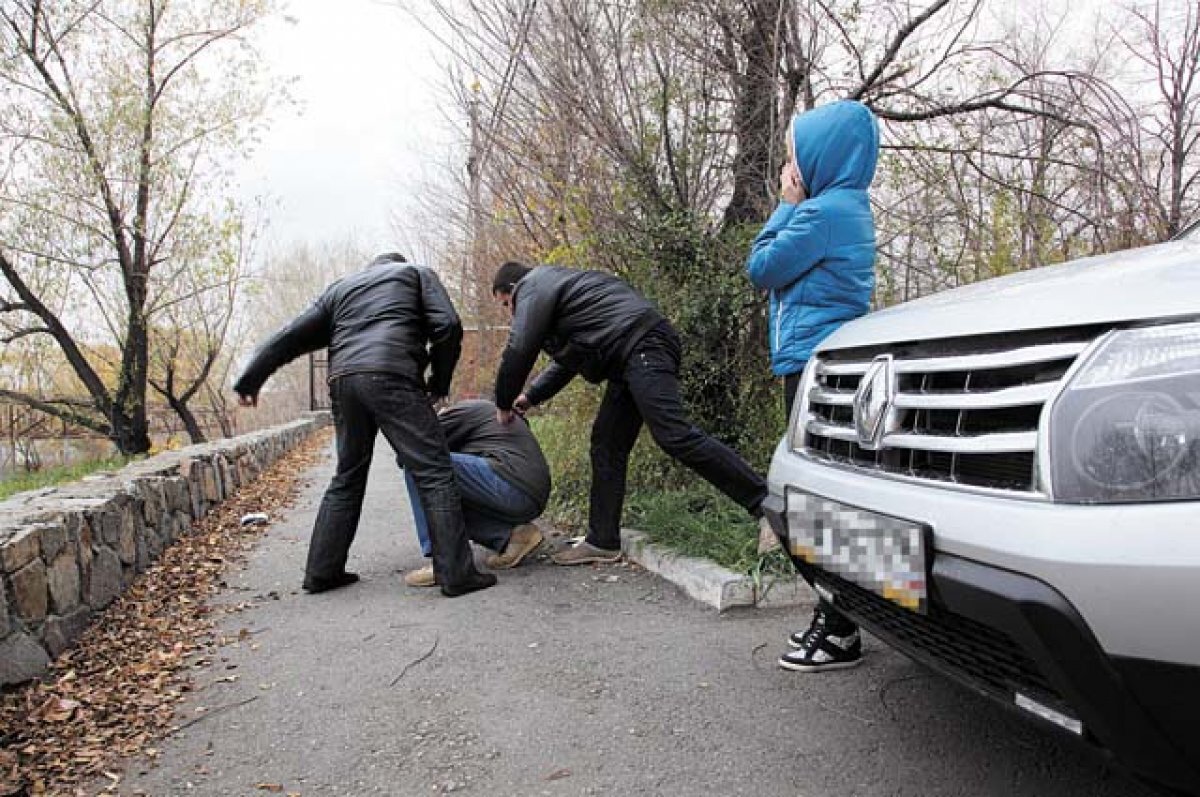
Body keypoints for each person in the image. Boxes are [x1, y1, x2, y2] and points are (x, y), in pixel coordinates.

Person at [233, 252, 496, 598]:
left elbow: (290, 336)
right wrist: (440, 380)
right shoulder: (416, 273)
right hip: (393, 373)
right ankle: (457, 574)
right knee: (433, 470)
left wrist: (250, 380)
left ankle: (322, 572)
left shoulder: (341, 289)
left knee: (348, 474)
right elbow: (447, 325)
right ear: (395, 264)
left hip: (343, 382)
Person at [490, 261, 768, 565]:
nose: (511, 314)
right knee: (607, 443)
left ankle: (771, 508)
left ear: (513, 290)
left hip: (644, 344)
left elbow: (519, 348)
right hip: (628, 355)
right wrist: (530, 396)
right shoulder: (563, 295)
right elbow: (570, 359)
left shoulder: (534, 285)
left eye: (506, 304)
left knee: (674, 435)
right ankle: (602, 540)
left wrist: (502, 402)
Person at [745, 100, 880, 672]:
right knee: (831, 493)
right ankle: (848, 617)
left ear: (820, 157)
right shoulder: (849, 206)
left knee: (812, 497)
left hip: (811, 363)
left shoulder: (820, 212)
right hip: (829, 359)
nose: (789, 167)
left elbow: (761, 268)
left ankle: (840, 627)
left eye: (795, 158)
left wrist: (784, 203)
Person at [402, 399, 550, 587]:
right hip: (530, 495)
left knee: (420, 467)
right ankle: (513, 536)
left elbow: (411, 453)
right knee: (444, 492)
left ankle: (442, 561)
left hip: (510, 481)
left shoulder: (455, 413)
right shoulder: (484, 413)